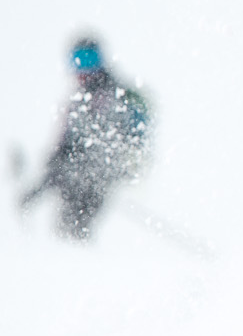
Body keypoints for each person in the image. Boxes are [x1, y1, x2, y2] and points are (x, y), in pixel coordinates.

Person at [20, 35, 150, 240]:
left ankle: (79, 260)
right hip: (78, 176)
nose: (84, 70)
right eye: (78, 60)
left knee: (74, 227)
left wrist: (118, 168)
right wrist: (46, 180)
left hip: (98, 176)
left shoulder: (117, 97)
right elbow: (65, 144)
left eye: (89, 59)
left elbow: (130, 143)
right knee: (68, 227)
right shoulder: (78, 101)